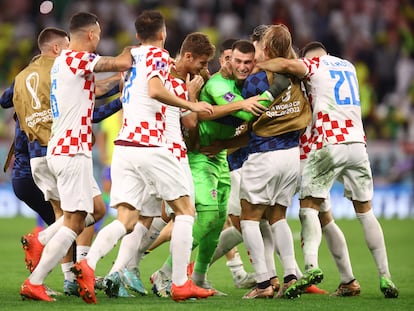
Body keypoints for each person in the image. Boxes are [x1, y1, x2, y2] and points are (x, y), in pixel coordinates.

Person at [71, 10, 215, 304]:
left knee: (127, 219)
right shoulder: (159, 58)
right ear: (163, 35)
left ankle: (88, 264)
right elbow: (154, 90)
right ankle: (179, 284)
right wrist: (192, 103)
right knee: (187, 211)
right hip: (149, 145)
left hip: (123, 147)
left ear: (137, 35)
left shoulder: (130, 59)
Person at [256, 40, 399, 299]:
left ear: (308, 57)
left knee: (308, 207)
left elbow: (288, 64)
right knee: (364, 213)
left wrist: (261, 62)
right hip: (358, 144)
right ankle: (382, 276)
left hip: (327, 144)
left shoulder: (314, 64)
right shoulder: (349, 67)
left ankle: (311, 266)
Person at [19, 13, 133, 302]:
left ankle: (41, 241)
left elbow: (95, 88)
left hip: (65, 149)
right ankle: (36, 280)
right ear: (92, 35)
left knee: (92, 210)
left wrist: (118, 84)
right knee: (74, 222)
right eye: (99, 34)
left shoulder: (65, 65)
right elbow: (119, 62)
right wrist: (135, 53)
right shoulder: (75, 58)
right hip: (71, 151)